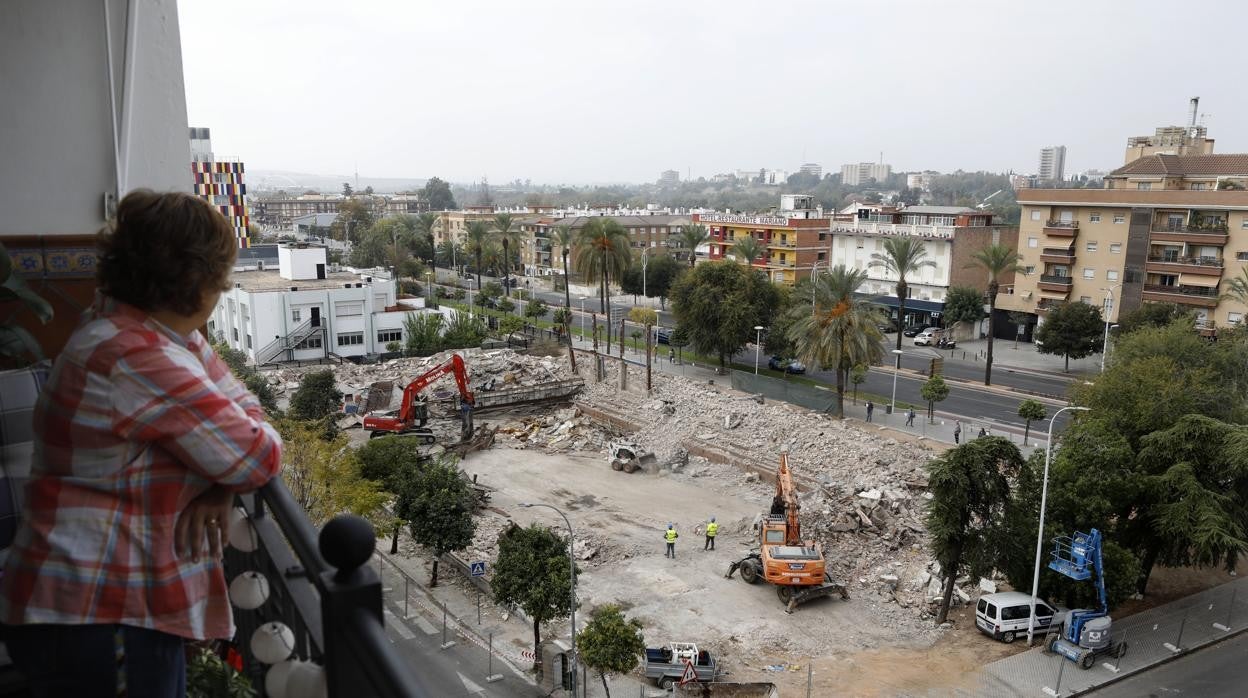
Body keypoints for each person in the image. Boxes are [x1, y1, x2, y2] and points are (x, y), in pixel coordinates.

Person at [0, 191, 283, 697]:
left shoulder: (143, 333)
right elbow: (258, 454)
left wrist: (222, 484)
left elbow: (243, 408)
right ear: (195, 282)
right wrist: (230, 471)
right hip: (101, 612)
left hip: (92, 605)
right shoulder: (140, 358)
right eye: (220, 277)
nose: (222, 288)